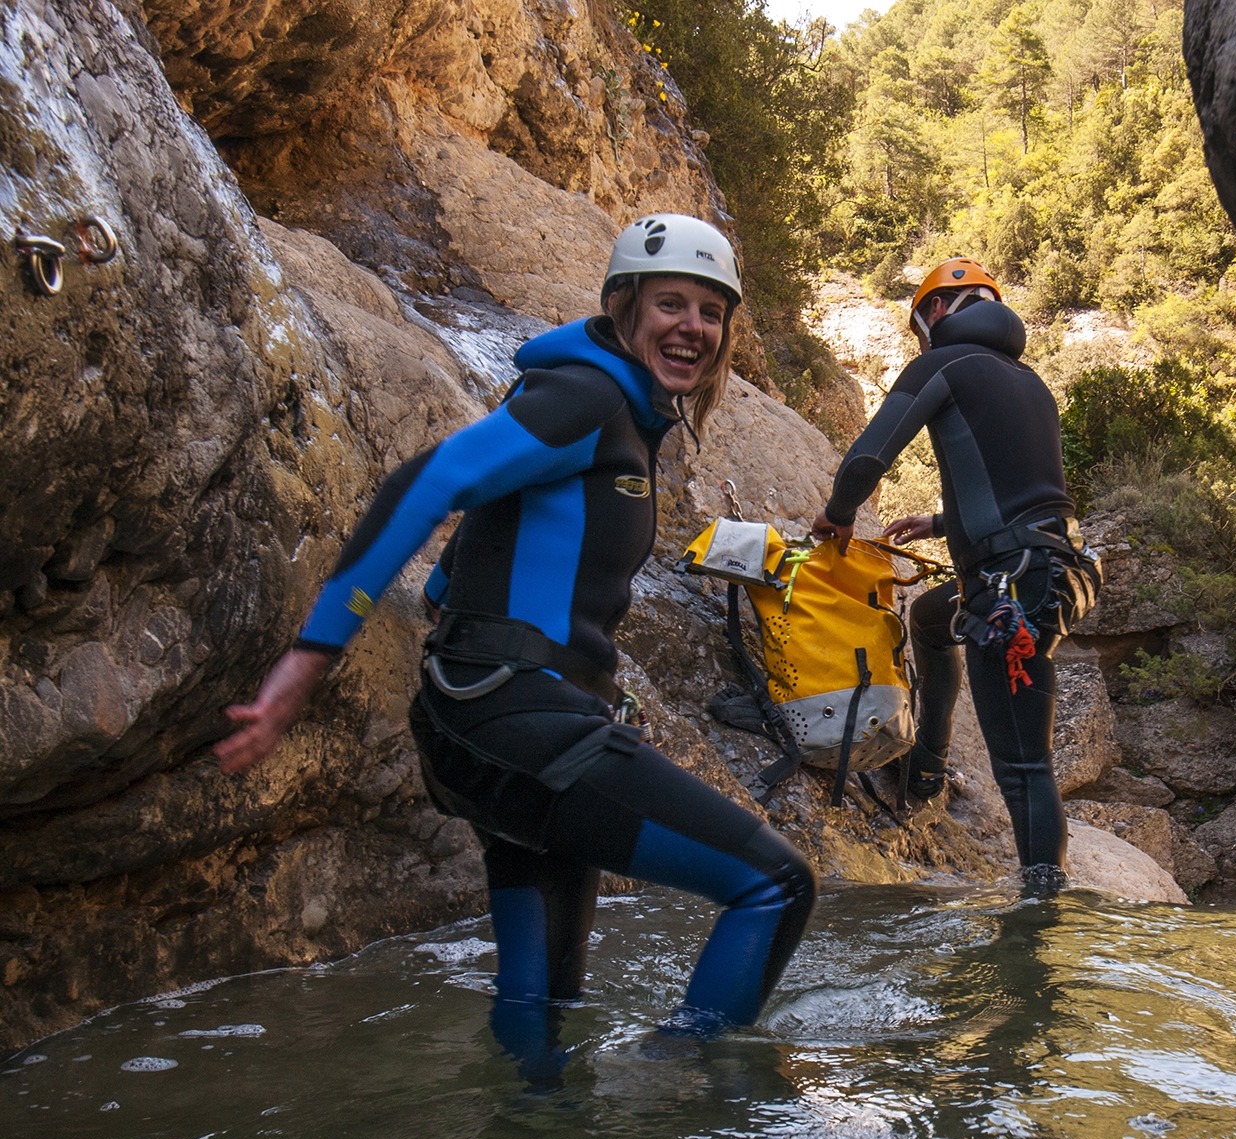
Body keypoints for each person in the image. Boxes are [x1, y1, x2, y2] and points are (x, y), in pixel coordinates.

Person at [216, 214, 817, 1077]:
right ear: (623, 306)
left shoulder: (621, 413)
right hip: (519, 721)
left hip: (494, 725)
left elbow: (456, 568)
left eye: (711, 312)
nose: (692, 326)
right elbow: (428, 481)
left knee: (544, 1003)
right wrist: (306, 661)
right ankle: (672, 1095)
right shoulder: (587, 397)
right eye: (671, 304)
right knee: (774, 885)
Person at [812, 258, 1098, 896]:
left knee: (1024, 765)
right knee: (931, 618)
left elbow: (865, 459)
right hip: (1053, 570)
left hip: (1009, 584)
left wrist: (837, 516)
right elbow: (1022, 491)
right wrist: (938, 523)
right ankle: (927, 769)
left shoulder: (942, 363)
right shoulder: (1030, 383)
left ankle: (1041, 913)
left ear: (935, 311)